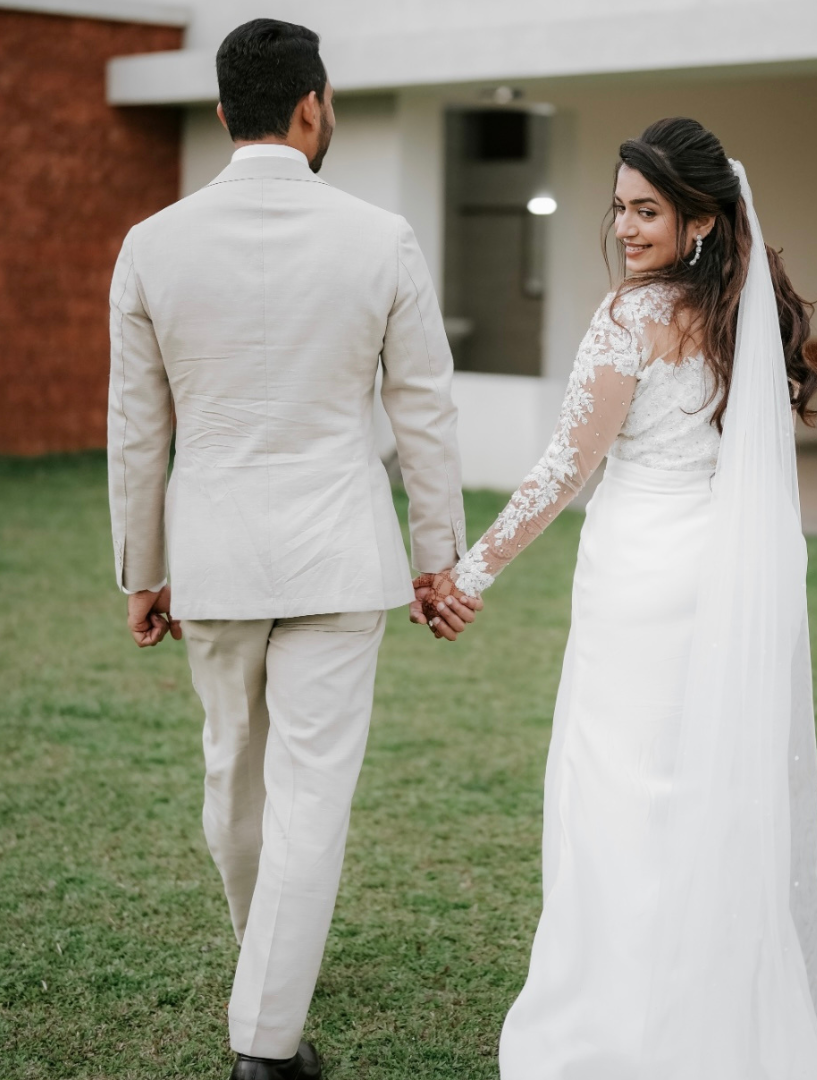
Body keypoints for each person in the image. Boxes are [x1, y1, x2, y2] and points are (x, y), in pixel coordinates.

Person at [421, 118, 817, 1079]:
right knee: (693, 796)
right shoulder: (742, 313)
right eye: (618, 207)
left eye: (645, 210)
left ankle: (612, 1026)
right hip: (713, 577)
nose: (623, 226)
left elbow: (564, 470)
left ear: (700, 218)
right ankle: (705, 1014)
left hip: (641, 584)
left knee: (615, 797)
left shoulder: (630, 318)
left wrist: (467, 576)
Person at [107, 19, 480, 1080]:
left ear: (226, 114)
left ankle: (265, 979)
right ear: (313, 105)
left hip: (213, 557)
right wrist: (436, 553)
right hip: (338, 556)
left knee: (235, 779)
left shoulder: (152, 243)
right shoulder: (382, 238)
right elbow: (426, 411)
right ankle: (267, 1037)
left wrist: (141, 571)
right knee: (309, 792)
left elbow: (137, 426)